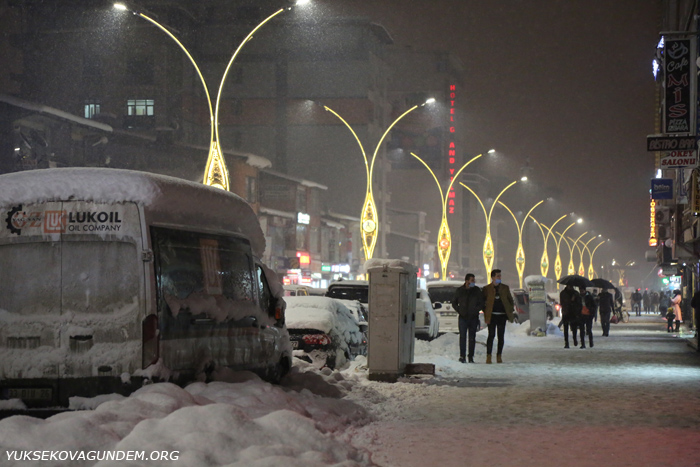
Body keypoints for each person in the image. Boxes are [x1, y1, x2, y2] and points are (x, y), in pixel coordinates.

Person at [482, 269, 514, 364]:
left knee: (501, 336)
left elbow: (510, 300)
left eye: (500, 276)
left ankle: (499, 355)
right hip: (491, 316)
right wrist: (486, 311)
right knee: (491, 335)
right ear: (492, 277)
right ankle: (489, 356)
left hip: (502, 316)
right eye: (497, 276)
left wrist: (509, 310)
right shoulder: (487, 289)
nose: (499, 278)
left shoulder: (505, 288)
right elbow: (483, 301)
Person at [451, 273, 485, 363]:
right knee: (462, 337)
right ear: (467, 281)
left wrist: (476, 310)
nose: (474, 282)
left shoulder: (477, 291)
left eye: (474, 280)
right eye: (472, 280)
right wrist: (459, 310)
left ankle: (471, 356)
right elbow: (454, 302)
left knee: (472, 337)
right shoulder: (460, 290)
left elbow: (481, 303)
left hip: (473, 317)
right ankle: (462, 356)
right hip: (463, 317)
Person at [559, 283, 582, 348]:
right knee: (565, 329)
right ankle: (566, 343)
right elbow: (562, 303)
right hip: (566, 312)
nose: (570, 287)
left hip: (573, 313)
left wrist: (574, 302)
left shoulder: (576, 293)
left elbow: (579, 303)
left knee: (574, 328)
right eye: (569, 286)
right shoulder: (563, 293)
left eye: (571, 286)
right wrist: (570, 301)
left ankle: (575, 339)